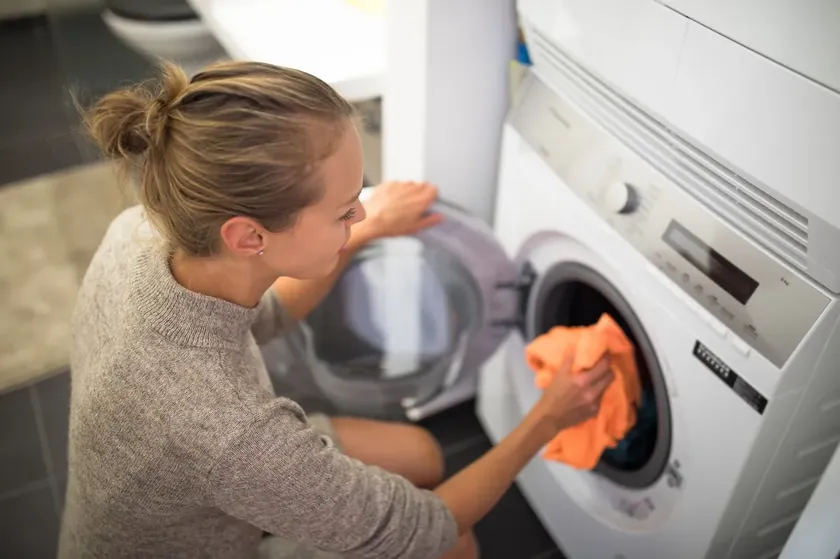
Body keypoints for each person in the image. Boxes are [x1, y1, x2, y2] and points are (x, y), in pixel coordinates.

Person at [58, 60, 613, 559]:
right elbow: (424, 528)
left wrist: (365, 229)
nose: (360, 216)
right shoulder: (231, 430)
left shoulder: (140, 233)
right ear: (249, 236)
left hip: (176, 500)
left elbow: (265, 317)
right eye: (347, 210)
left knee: (420, 452)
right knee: (456, 548)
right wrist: (549, 417)